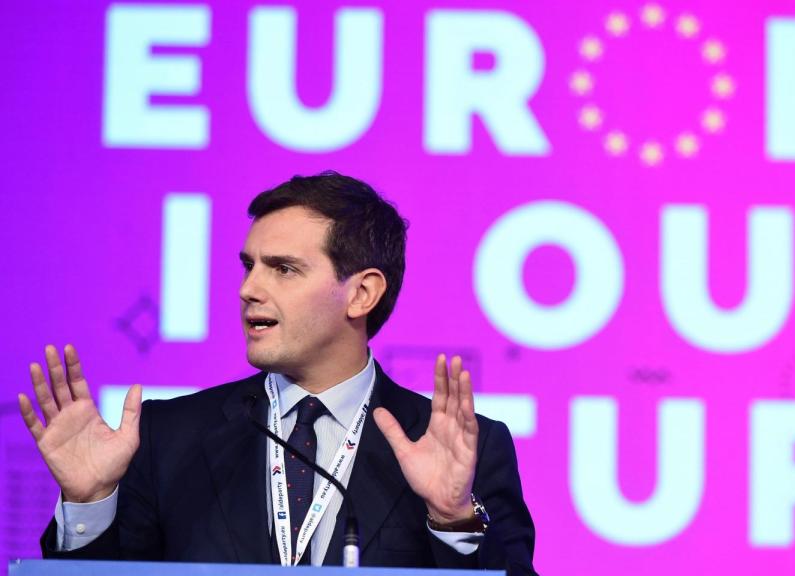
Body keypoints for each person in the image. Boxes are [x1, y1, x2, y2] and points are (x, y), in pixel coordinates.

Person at [18, 171, 536, 574]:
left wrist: (452, 521)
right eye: (249, 265)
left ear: (361, 293)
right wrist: (89, 506)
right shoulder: (166, 437)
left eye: (283, 269)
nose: (249, 289)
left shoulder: (462, 450)